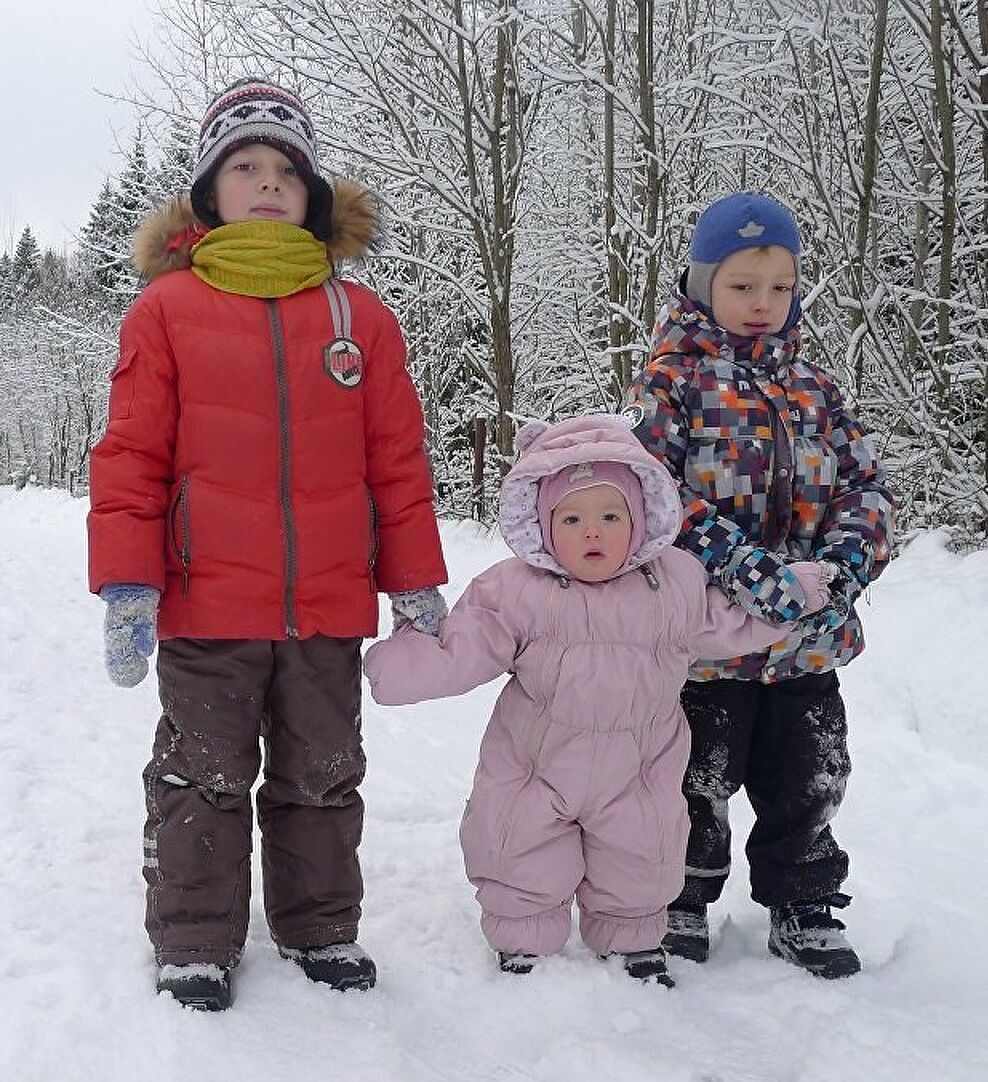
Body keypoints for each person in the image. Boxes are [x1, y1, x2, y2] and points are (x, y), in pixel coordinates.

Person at [86, 78, 449, 1012]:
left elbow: (397, 462)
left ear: (311, 191)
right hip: (206, 601)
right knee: (202, 776)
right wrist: (130, 584)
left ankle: (320, 926)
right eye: (244, 165)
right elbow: (130, 454)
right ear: (210, 191)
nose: (267, 182)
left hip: (326, 603)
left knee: (322, 775)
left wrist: (413, 581)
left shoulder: (359, 318)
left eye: (286, 168)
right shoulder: (166, 309)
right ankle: (197, 939)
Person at [363, 415, 830, 988]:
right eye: (573, 518)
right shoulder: (515, 589)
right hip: (537, 759)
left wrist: (790, 598)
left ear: (640, 522)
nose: (592, 533)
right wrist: (401, 668)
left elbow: (728, 623)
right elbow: (465, 650)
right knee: (519, 844)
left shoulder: (675, 581)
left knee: (642, 851)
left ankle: (632, 938)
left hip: (639, 763)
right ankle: (524, 937)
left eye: (611, 517)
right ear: (543, 524)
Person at [628, 191, 893, 979]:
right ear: (704, 282)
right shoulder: (670, 384)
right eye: (743, 285)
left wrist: (844, 569)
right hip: (706, 641)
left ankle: (803, 900)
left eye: (780, 286)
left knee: (810, 772)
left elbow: (867, 490)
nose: (762, 304)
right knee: (695, 777)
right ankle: (679, 897)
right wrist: (745, 570)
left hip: (806, 640)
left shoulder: (816, 387)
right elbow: (651, 497)